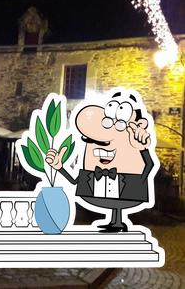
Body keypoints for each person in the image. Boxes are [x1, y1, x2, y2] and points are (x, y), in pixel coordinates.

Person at [46, 90, 155, 232]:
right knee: (114, 201)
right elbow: (74, 181)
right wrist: (59, 166)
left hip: (128, 183)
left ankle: (117, 222)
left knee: (119, 201)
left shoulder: (134, 144)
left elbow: (150, 164)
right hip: (100, 183)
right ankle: (115, 222)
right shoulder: (92, 163)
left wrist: (140, 179)